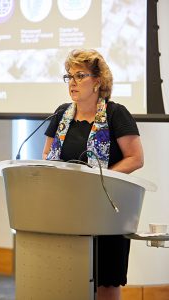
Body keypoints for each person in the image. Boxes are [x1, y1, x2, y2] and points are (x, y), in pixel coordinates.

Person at [42, 49, 144, 300]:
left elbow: (135, 158)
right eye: (69, 76)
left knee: (106, 282)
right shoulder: (61, 114)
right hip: (66, 210)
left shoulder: (115, 114)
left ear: (98, 81)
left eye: (80, 75)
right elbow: (46, 157)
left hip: (106, 210)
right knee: (66, 276)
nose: (72, 82)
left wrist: (100, 179)